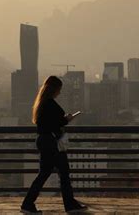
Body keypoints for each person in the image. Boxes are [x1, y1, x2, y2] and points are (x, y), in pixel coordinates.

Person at [21, 76, 87, 214]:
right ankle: (70, 205)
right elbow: (57, 122)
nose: (60, 92)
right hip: (52, 143)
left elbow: (46, 123)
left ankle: (27, 204)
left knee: (44, 174)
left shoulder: (41, 103)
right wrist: (67, 119)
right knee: (63, 173)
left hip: (44, 141)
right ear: (54, 89)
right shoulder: (50, 104)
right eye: (59, 89)